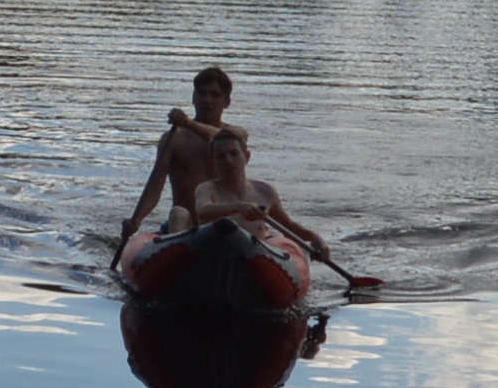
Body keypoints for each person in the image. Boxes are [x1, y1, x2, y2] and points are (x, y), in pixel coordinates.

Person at [122, 68, 355, 283]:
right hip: (187, 227)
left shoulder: (235, 136)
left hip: (231, 228)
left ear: (227, 102)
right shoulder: (173, 139)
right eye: (201, 93)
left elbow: (218, 138)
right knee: (178, 212)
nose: (207, 100)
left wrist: (189, 123)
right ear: (193, 97)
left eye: (215, 95)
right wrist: (137, 221)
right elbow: (155, 186)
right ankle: (176, 269)